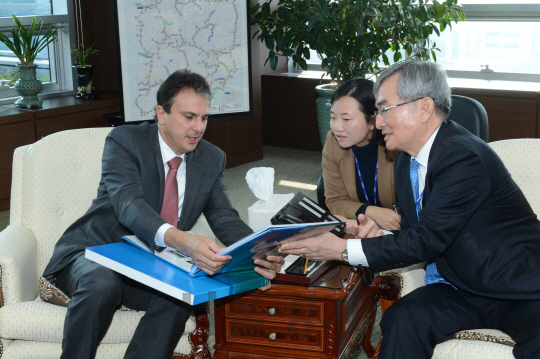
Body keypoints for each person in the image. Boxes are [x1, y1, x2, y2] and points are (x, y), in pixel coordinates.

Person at [280, 61, 540, 359]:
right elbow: (421, 230)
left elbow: (428, 238)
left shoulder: (462, 157)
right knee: (402, 319)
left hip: (520, 289)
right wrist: (376, 235)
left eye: (384, 109)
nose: (378, 122)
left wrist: (343, 249)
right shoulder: (406, 161)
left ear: (424, 108)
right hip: (460, 285)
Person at [43, 70, 284, 359]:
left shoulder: (211, 158)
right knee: (102, 284)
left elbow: (225, 218)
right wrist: (182, 240)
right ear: (162, 113)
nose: (198, 127)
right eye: (189, 116)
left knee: (179, 295)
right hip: (93, 252)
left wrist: (261, 251)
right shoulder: (125, 141)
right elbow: (128, 204)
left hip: (146, 264)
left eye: (204, 118)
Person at [322, 78, 400, 230]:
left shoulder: (397, 145)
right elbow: (335, 201)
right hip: (358, 226)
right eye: (333, 117)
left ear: (372, 121)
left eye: (346, 119)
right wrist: (370, 212)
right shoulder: (333, 141)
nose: (337, 127)